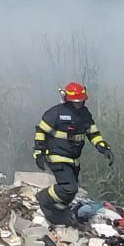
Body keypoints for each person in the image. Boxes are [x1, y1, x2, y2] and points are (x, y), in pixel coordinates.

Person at [33, 81, 112, 221]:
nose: (79, 104)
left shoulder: (85, 115)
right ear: (67, 100)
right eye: (76, 101)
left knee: (69, 194)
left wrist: (103, 147)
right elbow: (41, 131)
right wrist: (39, 152)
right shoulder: (55, 113)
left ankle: (56, 214)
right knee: (69, 188)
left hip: (73, 159)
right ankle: (43, 198)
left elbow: (93, 133)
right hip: (57, 157)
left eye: (81, 101)